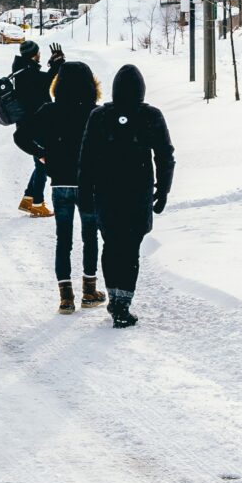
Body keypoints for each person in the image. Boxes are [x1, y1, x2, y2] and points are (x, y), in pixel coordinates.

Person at [78, 63, 175, 328]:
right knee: (130, 249)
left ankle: (115, 298)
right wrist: (162, 190)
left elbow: (86, 159)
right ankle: (122, 303)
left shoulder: (99, 116)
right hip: (138, 194)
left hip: (107, 194)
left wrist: (85, 193)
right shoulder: (151, 116)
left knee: (111, 246)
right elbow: (165, 155)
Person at [42, 54, 103, 311]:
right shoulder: (97, 113)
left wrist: (41, 153)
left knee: (63, 240)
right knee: (90, 236)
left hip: (60, 184)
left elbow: (20, 136)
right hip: (89, 184)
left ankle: (65, 298)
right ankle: (89, 291)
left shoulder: (50, 110)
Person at [9, 39, 53, 217]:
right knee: (42, 162)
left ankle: (28, 199)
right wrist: (57, 65)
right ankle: (36, 203)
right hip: (34, 125)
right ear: (35, 54)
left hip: (31, 124)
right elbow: (47, 82)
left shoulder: (24, 69)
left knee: (40, 162)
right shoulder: (28, 73)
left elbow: (45, 80)